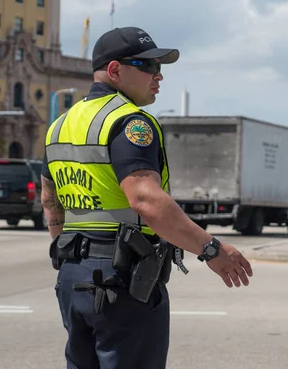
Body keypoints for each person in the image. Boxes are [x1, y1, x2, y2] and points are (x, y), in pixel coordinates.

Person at [40, 26, 253, 369]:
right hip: (121, 278)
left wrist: (72, 254)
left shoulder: (60, 125)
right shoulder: (128, 122)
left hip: (73, 275)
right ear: (115, 70)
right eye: (148, 66)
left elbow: (50, 201)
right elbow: (146, 200)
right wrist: (211, 248)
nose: (159, 76)